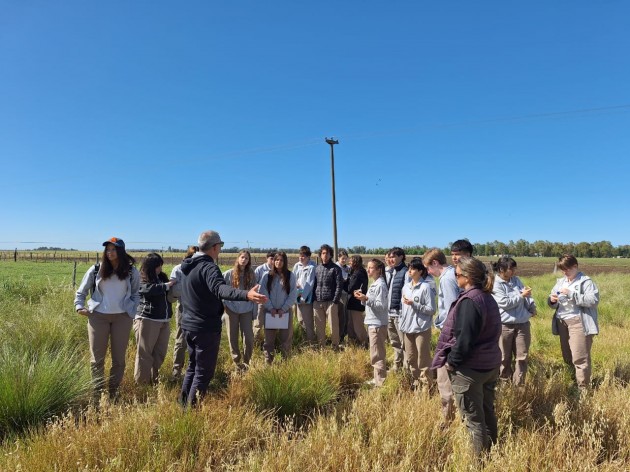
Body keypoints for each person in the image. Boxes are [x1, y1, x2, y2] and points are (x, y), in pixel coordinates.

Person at [179, 231, 267, 406]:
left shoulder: (189, 266)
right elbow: (221, 289)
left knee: (193, 367)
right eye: (220, 246)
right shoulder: (208, 267)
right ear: (214, 247)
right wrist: (246, 295)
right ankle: (191, 412)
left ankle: (183, 406)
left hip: (189, 325)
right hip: (204, 328)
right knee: (203, 372)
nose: (219, 249)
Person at [432, 256, 501, 457]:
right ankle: (492, 454)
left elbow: (464, 339)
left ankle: (477, 462)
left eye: (457, 274)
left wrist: (452, 363)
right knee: (488, 413)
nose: (455, 278)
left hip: (470, 370)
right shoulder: (487, 297)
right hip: (489, 365)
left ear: (468, 277)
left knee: (473, 420)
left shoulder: (470, 301)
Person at [74, 237, 140, 400]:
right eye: (108, 249)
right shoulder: (96, 269)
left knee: (119, 359)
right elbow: (81, 291)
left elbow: (137, 294)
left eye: (114, 249)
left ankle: (113, 392)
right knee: (97, 359)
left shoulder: (131, 272)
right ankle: (97, 394)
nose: (110, 252)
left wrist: (132, 310)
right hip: (98, 317)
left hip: (122, 318)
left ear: (121, 251)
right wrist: (79, 306)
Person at [423, 241, 472, 423]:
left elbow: (453, 310)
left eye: (428, 268)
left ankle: (447, 418)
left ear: (435, 263)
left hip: (450, 335)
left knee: (444, 377)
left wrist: (448, 336)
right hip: (452, 333)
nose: (428, 273)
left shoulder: (446, 278)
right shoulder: (453, 274)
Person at [548, 254, 599, 392]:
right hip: (562, 322)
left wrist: (571, 294)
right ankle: (573, 381)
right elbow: (553, 301)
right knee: (567, 355)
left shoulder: (586, 282)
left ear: (575, 266)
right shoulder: (560, 282)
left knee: (580, 356)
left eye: (567, 269)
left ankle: (583, 389)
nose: (565, 272)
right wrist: (552, 300)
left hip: (578, 322)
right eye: (562, 270)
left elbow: (593, 301)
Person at [491, 256, 537, 386]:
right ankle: (505, 382)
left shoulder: (516, 280)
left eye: (514, 268)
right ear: (501, 269)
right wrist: (521, 296)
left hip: (522, 324)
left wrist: (531, 307)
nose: (514, 271)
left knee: (522, 356)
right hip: (505, 326)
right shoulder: (495, 284)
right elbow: (505, 303)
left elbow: (527, 295)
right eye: (511, 269)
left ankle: (519, 385)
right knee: (504, 357)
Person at [134, 253, 175, 385]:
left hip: (164, 320)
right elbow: (146, 289)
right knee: (144, 354)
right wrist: (166, 286)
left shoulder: (161, 277)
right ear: (151, 266)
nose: (160, 269)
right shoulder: (141, 278)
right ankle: (142, 384)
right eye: (158, 266)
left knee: (159, 353)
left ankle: (154, 380)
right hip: (147, 319)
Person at [399, 257, 436, 390]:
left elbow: (432, 309)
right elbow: (403, 309)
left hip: (421, 328)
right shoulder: (406, 288)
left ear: (420, 271)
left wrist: (415, 304)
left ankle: (427, 386)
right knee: (411, 358)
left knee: (423, 358)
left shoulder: (425, 287)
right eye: (409, 268)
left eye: (413, 268)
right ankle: (416, 383)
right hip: (407, 328)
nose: (410, 271)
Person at [354, 259, 388, 387]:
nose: (368, 270)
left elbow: (381, 306)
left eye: (371, 268)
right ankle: (377, 378)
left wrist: (366, 298)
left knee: (377, 354)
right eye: (367, 267)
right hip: (373, 322)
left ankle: (380, 383)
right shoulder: (375, 283)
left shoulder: (380, 285)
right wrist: (363, 298)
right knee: (375, 353)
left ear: (379, 270)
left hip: (377, 324)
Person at [259, 252, 298, 364]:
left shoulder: (290, 276)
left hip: (285, 313)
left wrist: (283, 308)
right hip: (269, 312)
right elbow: (263, 292)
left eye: (281, 260)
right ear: (273, 261)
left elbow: (293, 294)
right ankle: (268, 362)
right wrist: (271, 308)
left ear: (284, 262)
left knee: (286, 339)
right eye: (276, 260)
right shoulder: (267, 276)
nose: (278, 262)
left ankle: (285, 362)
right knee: (269, 340)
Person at [223, 250, 257, 371]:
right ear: (238, 258)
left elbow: (255, 292)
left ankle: (246, 362)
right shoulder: (228, 274)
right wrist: (224, 304)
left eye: (246, 258)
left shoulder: (252, 275)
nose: (244, 260)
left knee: (248, 337)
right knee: (232, 336)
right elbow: (221, 290)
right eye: (242, 257)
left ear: (249, 261)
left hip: (246, 309)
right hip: (231, 309)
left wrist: (254, 311)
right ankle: (237, 362)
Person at [169, 245, 198, 380]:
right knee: (181, 340)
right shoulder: (178, 269)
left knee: (199, 340)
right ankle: (177, 370)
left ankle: (195, 369)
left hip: (200, 309)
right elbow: (174, 292)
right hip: (184, 308)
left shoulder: (204, 269)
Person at [313, 244, 343, 350]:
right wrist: (314, 299)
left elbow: (339, 286)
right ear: (320, 255)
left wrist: (335, 301)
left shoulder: (336, 269)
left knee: (333, 326)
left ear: (330, 255)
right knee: (319, 327)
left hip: (331, 302)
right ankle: (322, 347)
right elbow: (314, 284)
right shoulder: (317, 268)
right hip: (318, 302)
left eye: (327, 253)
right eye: (323, 253)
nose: (325, 255)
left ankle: (335, 347)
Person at [385, 247, 408, 371]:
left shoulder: (405, 272)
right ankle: (397, 365)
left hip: (399, 313)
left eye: (394, 256)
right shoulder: (391, 271)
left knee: (403, 342)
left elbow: (406, 293)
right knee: (394, 342)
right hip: (389, 312)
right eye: (390, 257)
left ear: (401, 257)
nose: (391, 259)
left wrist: (402, 311)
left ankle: (406, 368)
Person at [293, 245, 317, 344]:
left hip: (307, 297)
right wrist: (295, 285)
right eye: (300, 255)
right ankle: (303, 340)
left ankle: (311, 341)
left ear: (308, 257)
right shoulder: (296, 265)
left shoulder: (312, 267)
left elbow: (310, 283)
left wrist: (304, 296)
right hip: (297, 295)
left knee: (308, 321)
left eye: (303, 256)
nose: (301, 258)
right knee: (300, 319)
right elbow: (293, 278)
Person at [345, 255, 369, 347]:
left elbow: (351, 288)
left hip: (356, 302)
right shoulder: (357, 272)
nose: (349, 263)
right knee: (351, 324)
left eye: (351, 261)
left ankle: (364, 343)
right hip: (354, 302)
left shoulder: (358, 273)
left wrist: (344, 283)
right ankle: (353, 343)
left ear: (355, 262)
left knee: (357, 325)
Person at [253, 251, 276, 344]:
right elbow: (253, 283)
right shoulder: (260, 269)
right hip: (261, 300)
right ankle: (256, 343)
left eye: (275, 259)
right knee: (258, 323)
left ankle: (269, 343)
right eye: (271, 258)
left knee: (271, 324)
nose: (273, 261)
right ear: (267, 259)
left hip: (274, 301)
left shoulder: (277, 270)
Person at [336, 249, 351, 344]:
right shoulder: (336, 267)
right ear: (338, 258)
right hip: (340, 294)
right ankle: (339, 336)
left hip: (346, 294)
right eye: (342, 258)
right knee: (341, 316)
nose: (344, 260)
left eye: (345, 258)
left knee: (346, 315)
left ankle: (344, 334)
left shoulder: (347, 268)